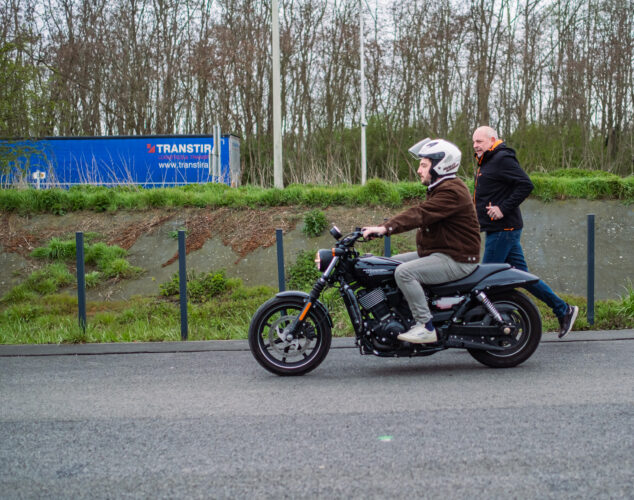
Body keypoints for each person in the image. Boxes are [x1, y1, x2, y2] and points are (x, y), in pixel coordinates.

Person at [362, 138, 481, 344]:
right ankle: (401, 316)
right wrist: (377, 229)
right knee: (388, 264)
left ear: (440, 166)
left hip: (457, 259)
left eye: (424, 165)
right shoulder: (441, 188)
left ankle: (425, 326)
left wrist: (385, 228)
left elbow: (420, 214)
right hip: (441, 253)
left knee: (404, 272)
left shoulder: (451, 191)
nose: (419, 170)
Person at [472, 125, 578, 338]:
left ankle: (477, 327)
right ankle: (563, 310)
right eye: (473, 142)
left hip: (503, 230)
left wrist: (502, 208)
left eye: (479, 141)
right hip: (500, 229)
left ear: (492, 140)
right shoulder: (488, 160)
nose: (475, 146)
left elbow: (525, 184)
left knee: (485, 280)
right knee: (523, 277)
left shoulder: (502, 158)